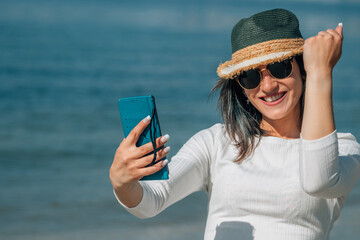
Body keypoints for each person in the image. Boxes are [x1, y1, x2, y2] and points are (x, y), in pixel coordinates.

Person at [109, 8, 360, 239]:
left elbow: (319, 181)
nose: (268, 86)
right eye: (250, 76)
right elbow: (152, 201)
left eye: (279, 67)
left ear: (303, 68)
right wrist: (123, 182)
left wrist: (321, 72)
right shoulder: (217, 142)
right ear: (240, 87)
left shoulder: (343, 150)